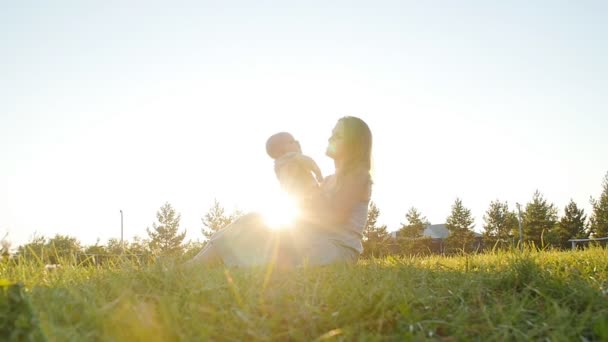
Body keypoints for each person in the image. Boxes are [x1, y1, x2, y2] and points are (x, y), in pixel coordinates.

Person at [186, 116, 372, 268]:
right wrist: (292, 179)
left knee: (263, 231)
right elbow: (307, 211)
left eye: (337, 136)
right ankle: (195, 264)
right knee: (254, 220)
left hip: (338, 251)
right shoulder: (329, 180)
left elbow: (331, 217)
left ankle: (196, 265)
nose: (330, 139)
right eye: (332, 134)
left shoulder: (358, 175)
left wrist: (305, 183)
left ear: (353, 144)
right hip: (319, 242)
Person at [265, 131, 323, 205]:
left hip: (296, 197)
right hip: (310, 192)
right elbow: (309, 161)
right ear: (281, 151)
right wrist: (318, 173)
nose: (297, 143)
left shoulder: (278, 166)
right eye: (292, 141)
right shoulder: (291, 156)